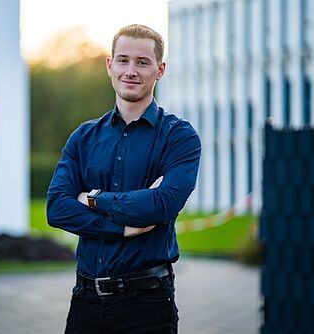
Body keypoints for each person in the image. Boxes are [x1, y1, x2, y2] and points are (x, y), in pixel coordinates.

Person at [46, 24, 201, 334]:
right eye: (123, 60)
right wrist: (122, 227)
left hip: (147, 306)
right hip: (85, 303)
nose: (131, 70)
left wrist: (93, 199)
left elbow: (161, 205)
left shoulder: (180, 137)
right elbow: (57, 208)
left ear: (160, 69)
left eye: (142, 62)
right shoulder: (83, 138)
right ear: (109, 65)